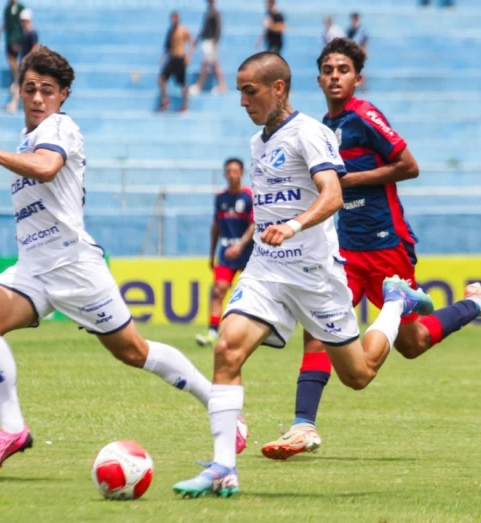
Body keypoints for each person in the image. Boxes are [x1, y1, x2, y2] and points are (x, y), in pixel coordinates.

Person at [0, 46, 245, 472]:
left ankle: (218, 405)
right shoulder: (28, 138)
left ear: (63, 94)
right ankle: (12, 429)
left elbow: (47, 168)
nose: (36, 98)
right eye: (29, 89)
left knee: (133, 352)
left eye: (46, 90)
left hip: (74, 269)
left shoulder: (61, 128)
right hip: (32, 268)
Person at [172, 51, 436, 499]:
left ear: (278, 89)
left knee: (359, 374)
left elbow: (332, 194)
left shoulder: (311, 132)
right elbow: (271, 206)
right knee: (226, 350)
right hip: (266, 271)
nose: (241, 101)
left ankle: (396, 304)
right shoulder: (258, 143)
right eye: (238, 91)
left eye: (248, 91)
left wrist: (294, 225)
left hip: (315, 275)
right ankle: (222, 468)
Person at [259, 38, 481, 461]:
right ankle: (303, 426)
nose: (334, 76)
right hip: (345, 250)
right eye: (327, 70)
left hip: (387, 245)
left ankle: (475, 305)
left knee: (412, 343)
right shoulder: (322, 126)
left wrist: (350, 182)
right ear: (318, 78)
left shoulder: (365, 116)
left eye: (343, 70)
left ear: (357, 78)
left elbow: (409, 165)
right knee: (318, 331)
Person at [196, 158, 254, 348]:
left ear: (242, 173)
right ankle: (213, 332)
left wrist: (240, 245)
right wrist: (212, 253)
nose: (232, 174)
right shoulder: (221, 198)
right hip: (225, 254)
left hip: (248, 255)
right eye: (228, 171)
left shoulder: (249, 196)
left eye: (235, 171)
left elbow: (255, 225)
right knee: (219, 290)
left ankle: (253, 333)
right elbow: (216, 227)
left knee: (251, 294)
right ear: (224, 174)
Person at [5, 9, 39, 113]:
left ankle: (14, 106)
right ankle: (13, 105)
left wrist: (28, 60)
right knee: (18, 86)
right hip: (24, 64)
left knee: (19, 86)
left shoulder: (32, 33)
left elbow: (35, 48)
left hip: (28, 65)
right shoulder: (25, 34)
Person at [159, 11, 193, 112]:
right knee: (161, 78)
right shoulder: (170, 31)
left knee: (183, 83)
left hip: (180, 59)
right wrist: (163, 56)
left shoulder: (183, 30)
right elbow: (167, 47)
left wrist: (189, 56)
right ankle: (165, 101)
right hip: (172, 58)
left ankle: (185, 106)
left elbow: (191, 43)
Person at [190, 0, 226, 96]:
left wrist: (215, 41)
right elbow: (204, 28)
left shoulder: (215, 12)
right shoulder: (208, 12)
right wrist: (197, 39)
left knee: (206, 64)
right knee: (212, 64)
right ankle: (221, 85)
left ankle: (199, 86)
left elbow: (218, 28)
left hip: (211, 42)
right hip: (207, 41)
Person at [0, 0, 25, 92]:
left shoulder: (20, 7)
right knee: (10, 58)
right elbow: (6, 22)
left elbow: (24, 23)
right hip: (9, 38)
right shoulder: (7, 8)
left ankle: (18, 80)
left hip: (16, 37)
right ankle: (17, 78)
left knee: (14, 58)